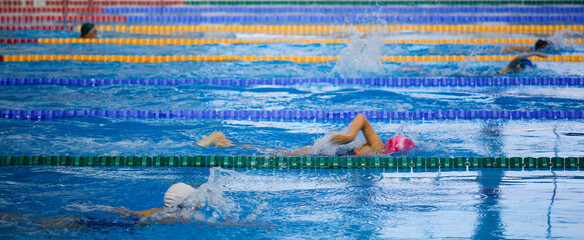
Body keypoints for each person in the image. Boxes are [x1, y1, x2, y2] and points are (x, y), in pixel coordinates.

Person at [197, 113, 416, 156]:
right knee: (273, 155)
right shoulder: (377, 146)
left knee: (274, 153)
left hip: (328, 153)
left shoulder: (378, 150)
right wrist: (350, 136)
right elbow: (361, 118)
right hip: (323, 152)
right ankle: (222, 142)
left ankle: (226, 143)